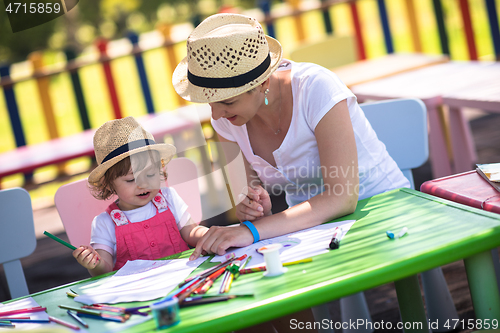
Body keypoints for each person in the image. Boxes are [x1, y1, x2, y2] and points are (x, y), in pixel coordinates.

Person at [172, 13, 409, 259]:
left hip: (383, 211)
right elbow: (246, 201)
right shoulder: (226, 120)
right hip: (311, 231)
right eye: (208, 102)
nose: (216, 114)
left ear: (262, 83)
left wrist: (252, 230)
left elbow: (343, 198)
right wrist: (253, 209)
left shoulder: (316, 88)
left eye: (228, 102)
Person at [72, 117, 209, 276]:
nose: (143, 184)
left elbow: (190, 232)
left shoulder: (169, 198)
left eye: (150, 174)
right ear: (109, 184)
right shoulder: (105, 223)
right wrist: (94, 263)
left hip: (183, 277)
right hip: (137, 293)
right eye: (131, 180)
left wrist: (207, 235)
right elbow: (105, 268)